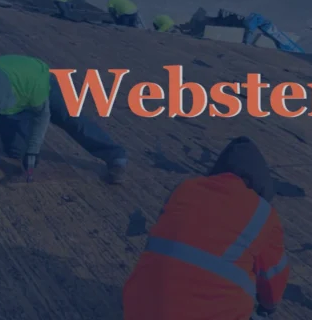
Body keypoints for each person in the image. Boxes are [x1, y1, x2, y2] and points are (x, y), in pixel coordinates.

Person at [122, 137, 290, 320]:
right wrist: (268, 307)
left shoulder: (185, 188)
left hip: (137, 310)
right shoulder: (264, 213)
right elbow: (273, 279)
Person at [0, 55, 128, 185]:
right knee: (15, 151)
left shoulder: (32, 83)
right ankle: (19, 124)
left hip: (42, 85)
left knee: (72, 119)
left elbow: (42, 116)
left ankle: (115, 156)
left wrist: (34, 150)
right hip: (12, 101)